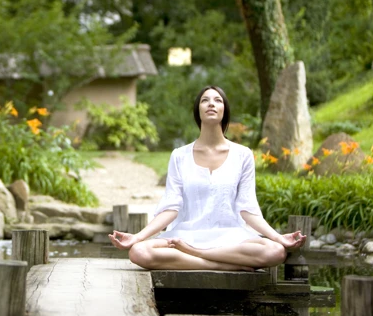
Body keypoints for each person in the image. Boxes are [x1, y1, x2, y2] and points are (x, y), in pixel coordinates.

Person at [108, 85, 306, 271]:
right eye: (205, 100)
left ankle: (198, 255)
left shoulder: (242, 155)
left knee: (276, 251)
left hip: (230, 236)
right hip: (185, 235)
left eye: (217, 100)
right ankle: (220, 265)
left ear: (224, 110)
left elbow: (247, 208)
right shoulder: (179, 155)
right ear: (198, 111)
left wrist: (278, 237)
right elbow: (171, 207)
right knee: (139, 251)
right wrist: (137, 237)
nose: (211, 103)